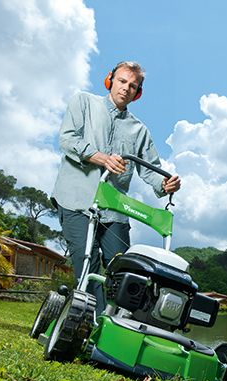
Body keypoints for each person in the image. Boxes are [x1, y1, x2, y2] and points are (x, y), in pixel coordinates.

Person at [51, 61, 181, 314]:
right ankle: (93, 324)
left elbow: (150, 171)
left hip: (115, 209)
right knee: (86, 261)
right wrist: (101, 158)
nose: (126, 89)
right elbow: (67, 139)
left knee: (123, 268)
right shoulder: (84, 102)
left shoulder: (139, 130)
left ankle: (122, 322)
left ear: (138, 93)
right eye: (122, 81)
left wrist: (166, 184)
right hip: (76, 199)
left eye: (133, 86)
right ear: (109, 80)